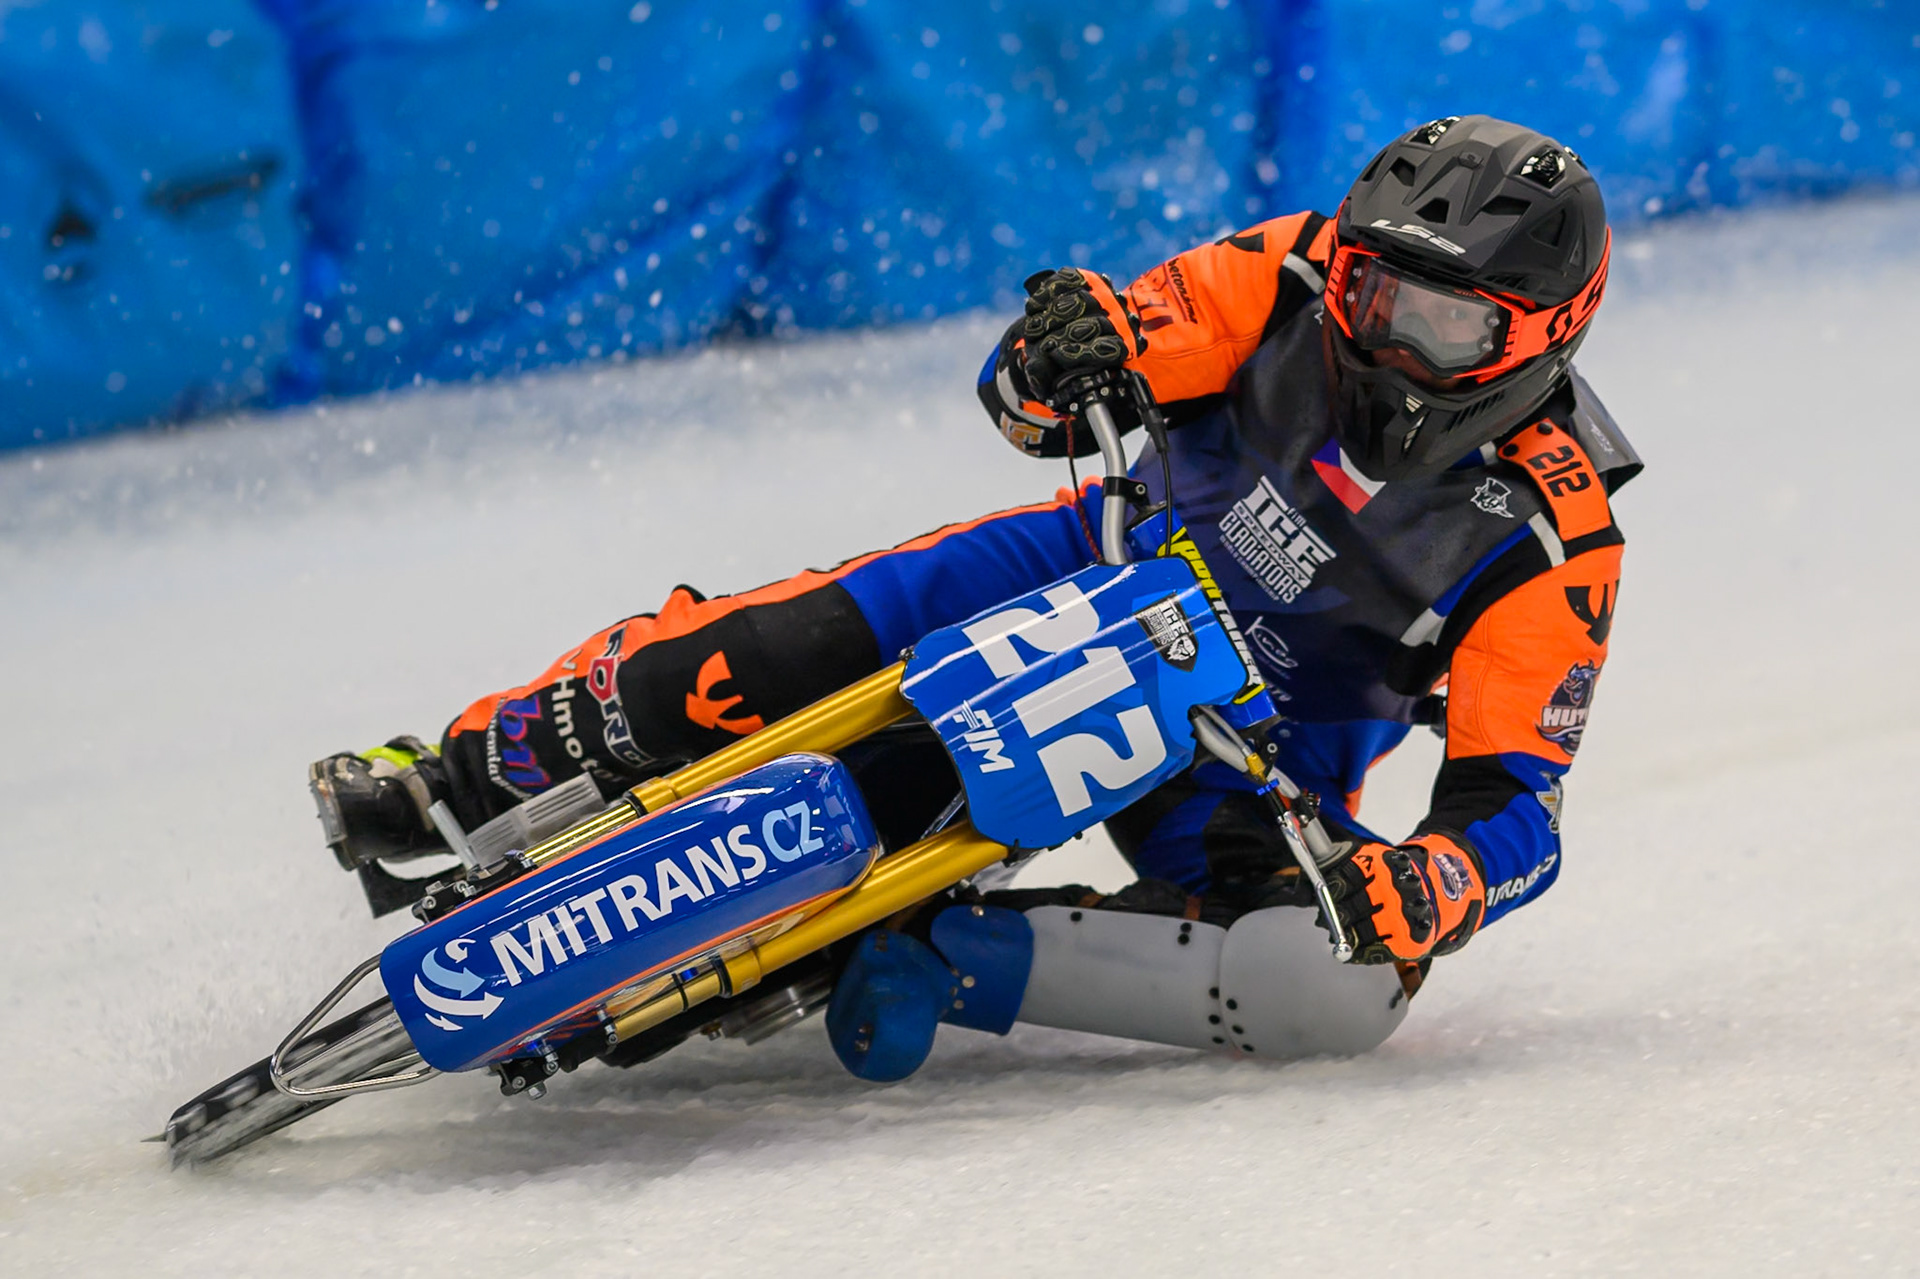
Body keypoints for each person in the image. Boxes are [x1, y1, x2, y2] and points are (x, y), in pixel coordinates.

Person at [310, 115, 1638, 1079]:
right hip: (1084, 567)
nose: (1389, 337)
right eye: (1376, 291)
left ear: (1542, 335)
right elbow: (1054, 384)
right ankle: (460, 773)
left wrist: (1435, 881)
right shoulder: (1288, 270)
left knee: (1324, 990)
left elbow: (1517, 808)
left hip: (1247, 755)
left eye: (1448, 323)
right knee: (741, 666)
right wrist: (1062, 353)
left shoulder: (1553, 530)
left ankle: (929, 953)